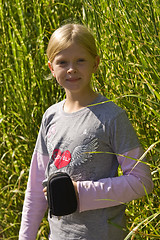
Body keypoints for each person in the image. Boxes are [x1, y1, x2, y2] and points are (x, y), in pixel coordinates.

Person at [19, 23, 153, 240]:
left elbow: (142, 182)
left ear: (95, 63)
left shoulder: (112, 116)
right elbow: (35, 189)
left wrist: (80, 192)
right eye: (62, 62)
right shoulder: (50, 117)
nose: (71, 69)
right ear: (52, 68)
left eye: (80, 60)